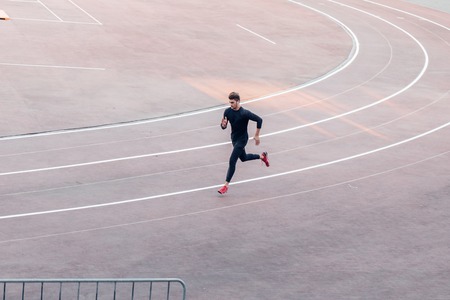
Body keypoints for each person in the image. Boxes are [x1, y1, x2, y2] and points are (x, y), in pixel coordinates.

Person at [218, 92, 270, 194]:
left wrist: (257, 135)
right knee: (243, 158)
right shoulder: (227, 112)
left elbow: (259, 120)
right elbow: (223, 126)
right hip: (234, 138)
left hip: (242, 139)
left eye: (232, 102)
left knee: (232, 160)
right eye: (230, 102)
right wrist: (223, 125)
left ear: (238, 101)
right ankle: (262, 156)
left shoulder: (244, 113)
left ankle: (225, 185)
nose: (231, 105)